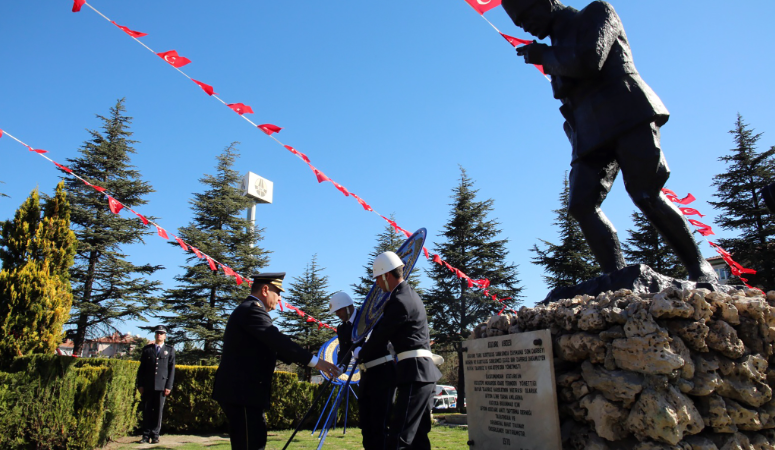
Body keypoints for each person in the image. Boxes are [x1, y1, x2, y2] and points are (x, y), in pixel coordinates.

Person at [501, 0, 717, 282]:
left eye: (526, 16)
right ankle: (615, 274)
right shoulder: (553, 44)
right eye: (519, 23)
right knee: (582, 204)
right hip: (589, 128)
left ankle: (701, 269)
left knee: (645, 193)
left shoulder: (597, 12)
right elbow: (566, 93)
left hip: (627, 109)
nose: (525, 26)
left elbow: (589, 59)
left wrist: (545, 55)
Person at [212, 272, 341, 450]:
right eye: (278, 292)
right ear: (265, 290)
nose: (279, 298)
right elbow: (277, 341)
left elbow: (276, 346)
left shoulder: (250, 310)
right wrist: (317, 362)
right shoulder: (252, 311)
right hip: (243, 395)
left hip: (243, 395)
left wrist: (309, 354)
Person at [358, 252, 441, 450]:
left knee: (399, 437)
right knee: (419, 437)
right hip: (421, 373)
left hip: (414, 374)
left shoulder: (399, 301)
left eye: (378, 278)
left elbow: (381, 336)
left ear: (386, 275)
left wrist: (361, 353)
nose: (377, 284)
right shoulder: (409, 295)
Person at [330, 291, 396, 450]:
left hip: (383, 372)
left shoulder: (369, 317)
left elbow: (381, 339)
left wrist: (365, 349)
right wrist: (340, 367)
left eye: (338, 311)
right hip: (366, 375)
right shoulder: (342, 328)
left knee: (380, 424)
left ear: (347, 307)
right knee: (366, 424)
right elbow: (345, 352)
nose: (338, 315)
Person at [136, 325, 176, 444]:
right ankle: (145, 435)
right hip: (148, 385)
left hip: (161, 386)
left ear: (165, 336)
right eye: (158, 333)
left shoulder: (169, 350)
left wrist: (169, 386)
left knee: (158, 412)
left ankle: (155, 435)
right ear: (155, 335)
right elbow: (142, 369)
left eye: (161, 333)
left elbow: (171, 369)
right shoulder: (147, 349)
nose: (159, 335)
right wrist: (141, 384)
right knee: (147, 410)